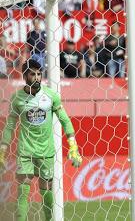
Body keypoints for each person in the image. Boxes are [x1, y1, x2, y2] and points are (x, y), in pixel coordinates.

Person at [0, 59, 83, 221]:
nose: (37, 77)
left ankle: (49, 219)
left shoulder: (51, 95)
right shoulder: (17, 98)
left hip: (46, 152)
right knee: (23, 191)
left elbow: (65, 120)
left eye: (39, 74)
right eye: (33, 74)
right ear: (25, 76)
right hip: (26, 152)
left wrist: (73, 146)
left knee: (46, 191)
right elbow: (10, 126)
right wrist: (2, 151)